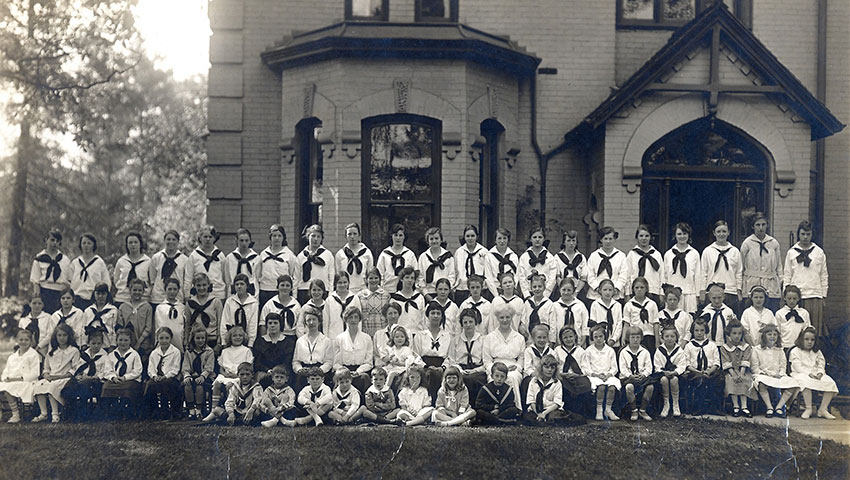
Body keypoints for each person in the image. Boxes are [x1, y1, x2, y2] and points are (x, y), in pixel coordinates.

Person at [783, 221, 829, 338]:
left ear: (812, 234)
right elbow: (787, 274)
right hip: (797, 297)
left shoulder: (818, 252)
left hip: (814, 295)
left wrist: (823, 295)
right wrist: (786, 294)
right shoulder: (792, 252)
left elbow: (823, 275)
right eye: (803, 234)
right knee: (797, 328)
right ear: (798, 234)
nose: (805, 237)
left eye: (808, 234)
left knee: (813, 329)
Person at [32, 324, 80, 423]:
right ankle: (44, 413)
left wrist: (60, 376)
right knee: (38, 386)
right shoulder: (51, 351)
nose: (62, 338)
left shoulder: (74, 351)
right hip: (52, 377)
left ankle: (55, 414)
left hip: (65, 378)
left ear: (69, 336)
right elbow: (46, 368)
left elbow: (75, 368)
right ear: (55, 337)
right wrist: (46, 375)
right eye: (59, 335)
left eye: (64, 335)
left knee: (52, 387)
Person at [789, 327, 838, 419]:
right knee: (806, 383)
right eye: (806, 339)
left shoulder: (817, 352)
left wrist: (820, 372)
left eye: (812, 340)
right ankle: (808, 408)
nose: (809, 342)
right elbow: (797, 366)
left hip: (816, 374)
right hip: (801, 374)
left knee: (830, 383)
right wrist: (809, 374)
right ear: (801, 339)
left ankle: (823, 409)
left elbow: (821, 363)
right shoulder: (795, 351)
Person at [482, 302, 525, 409]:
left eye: (507, 317)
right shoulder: (490, 337)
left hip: (513, 368)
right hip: (495, 368)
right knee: (496, 378)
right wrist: (495, 370)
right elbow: (486, 360)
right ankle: (494, 410)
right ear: (497, 318)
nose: (505, 320)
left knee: (512, 377)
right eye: (502, 317)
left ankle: (515, 409)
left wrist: (518, 368)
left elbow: (521, 358)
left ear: (512, 318)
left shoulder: (519, 338)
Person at [751, 324, 799, 418]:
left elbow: (782, 366)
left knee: (793, 384)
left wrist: (780, 374)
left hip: (777, 375)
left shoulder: (780, 350)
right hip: (763, 375)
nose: (772, 336)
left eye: (775, 334)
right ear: (764, 336)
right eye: (769, 334)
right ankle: (769, 407)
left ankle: (779, 407)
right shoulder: (756, 350)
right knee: (761, 383)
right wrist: (766, 374)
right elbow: (755, 368)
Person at [740, 213, 782, 311]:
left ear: (767, 225)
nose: (761, 228)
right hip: (751, 284)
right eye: (758, 225)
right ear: (752, 226)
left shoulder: (773, 243)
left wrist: (781, 283)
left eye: (763, 224)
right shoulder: (747, 243)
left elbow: (779, 267)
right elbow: (741, 268)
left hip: (770, 286)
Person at [700, 220, 743, 314]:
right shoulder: (708, 251)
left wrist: (739, 290)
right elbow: (703, 273)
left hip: (730, 292)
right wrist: (703, 292)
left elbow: (738, 272)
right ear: (714, 233)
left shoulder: (735, 251)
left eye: (724, 231)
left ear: (728, 233)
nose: (721, 234)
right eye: (718, 231)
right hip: (713, 293)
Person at [412, 302, 451, 402]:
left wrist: (442, 368)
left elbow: (450, 356)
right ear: (428, 315)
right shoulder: (420, 335)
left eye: (438, 313)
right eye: (433, 313)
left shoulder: (447, 336)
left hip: (441, 367)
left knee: (435, 374)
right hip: (424, 367)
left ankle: (437, 403)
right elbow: (415, 355)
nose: (435, 316)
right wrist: (425, 366)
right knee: (430, 373)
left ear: (442, 316)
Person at [101, 328, 144, 419]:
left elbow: (137, 370)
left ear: (130, 341)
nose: (123, 343)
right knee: (106, 387)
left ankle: (127, 412)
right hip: (115, 380)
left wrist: (125, 377)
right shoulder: (111, 355)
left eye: (126, 340)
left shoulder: (134, 355)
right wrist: (113, 377)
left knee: (127, 388)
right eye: (120, 340)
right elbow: (107, 370)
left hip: (130, 380)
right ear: (116, 341)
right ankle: (111, 412)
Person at [682, 319, 723, 416]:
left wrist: (709, 371)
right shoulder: (689, 346)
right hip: (694, 372)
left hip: (710, 371)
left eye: (702, 330)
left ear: (706, 331)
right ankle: (699, 407)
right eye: (696, 330)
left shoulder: (712, 345)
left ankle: (715, 407)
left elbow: (717, 362)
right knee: (700, 380)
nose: (699, 333)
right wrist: (698, 371)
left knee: (719, 379)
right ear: (692, 331)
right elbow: (686, 363)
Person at [209, 326, 253, 412]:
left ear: (244, 337)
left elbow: (249, 368)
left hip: (239, 376)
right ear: (230, 338)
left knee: (229, 385)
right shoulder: (225, 351)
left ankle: (229, 410)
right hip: (226, 375)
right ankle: (213, 410)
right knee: (217, 384)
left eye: (240, 335)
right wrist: (225, 374)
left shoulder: (246, 351)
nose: (237, 337)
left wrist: (237, 375)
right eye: (235, 335)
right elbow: (221, 369)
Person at [0, 329, 41, 423]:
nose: (23, 342)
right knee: (5, 386)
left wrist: (20, 378)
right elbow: (6, 370)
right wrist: (5, 378)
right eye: (21, 339)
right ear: (17, 340)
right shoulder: (12, 357)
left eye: (26, 340)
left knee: (8, 389)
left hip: (27, 382)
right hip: (12, 381)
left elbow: (35, 373)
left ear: (31, 341)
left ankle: (15, 414)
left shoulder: (33, 354)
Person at [581, 324, 620, 421]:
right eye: (595, 337)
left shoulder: (610, 351)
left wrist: (608, 374)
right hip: (594, 375)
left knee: (612, 387)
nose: (598, 339)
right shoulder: (589, 351)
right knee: (601, 387)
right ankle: (599, 410)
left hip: (607, 375)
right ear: (592, 338)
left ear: (605, 337)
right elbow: (585, 367)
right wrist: (595, 374)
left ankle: (608, 409)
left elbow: (614, 368)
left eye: (600, 336)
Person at [448, 308, 487, 403]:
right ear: (462, 324)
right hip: (461, 370)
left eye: (471, 322)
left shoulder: (482, 340)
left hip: (477, 370)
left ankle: (475, 406)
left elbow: (486, 361)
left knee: (473, 379)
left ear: (475, 323)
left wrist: (474, 370)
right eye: (465, 322)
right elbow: (452, 359)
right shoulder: (456, 340)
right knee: (462, 378)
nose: (468, 325)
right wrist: (460, 370)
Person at [332, 306, 373, 395]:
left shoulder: (366, 338)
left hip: (360, 372)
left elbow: (369, 363)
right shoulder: (339, 338)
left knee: (365, 378)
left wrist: (358, 371)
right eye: (350, 317)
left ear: (359, 319)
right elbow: (336, 363)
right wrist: (345, 371)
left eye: (356, 317)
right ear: (346, 320)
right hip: (344, 372)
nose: (353, 320)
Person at [143, 327, 182, 420]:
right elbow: (151, 368)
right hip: (157, 378)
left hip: (170, 377)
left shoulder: (175, 352)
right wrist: (154, 376)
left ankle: (170, 412)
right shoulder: (154, 353)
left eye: (167, 338)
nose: (164, 341)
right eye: (161, 338)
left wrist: (165, 376)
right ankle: (154, 411)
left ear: (171, 338)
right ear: (157, 339)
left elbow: (175, 369)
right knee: (149, 385)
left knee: (166, 385)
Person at [663, 222, 702, 314]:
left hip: (689, 293)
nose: (682, 236)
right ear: (675, 235)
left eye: (685, 233)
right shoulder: (669, 254)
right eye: (679, 234)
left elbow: (697, 275)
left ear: (689, 235)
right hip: (673, 295)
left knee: (689, 319)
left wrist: (697, 295)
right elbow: (664, 275)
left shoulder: (694, 253)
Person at [30, 229, 72, 314]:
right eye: (52, 240)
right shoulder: (39, 259)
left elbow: (69, 281)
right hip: (44, 293)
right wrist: (38, 298)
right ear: (46, 240)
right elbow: (36, 282)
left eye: (57, 241)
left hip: (59, 294)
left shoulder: (65, 260)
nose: (55, 243)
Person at [720, 320, 756, 417]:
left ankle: (744, 407)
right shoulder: (725, 347)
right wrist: (734, 374)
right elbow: (726, 361)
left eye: (739, 333)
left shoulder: (746, 346)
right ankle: (736, 406)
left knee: (745, 379)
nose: (737, 336)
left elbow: (746, 359)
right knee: (732, 380)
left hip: (743, 370)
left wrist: (741, 373)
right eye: (734, 333)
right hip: (730, 371)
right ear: (729, 334)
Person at [257, 224, 299, 307]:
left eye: (279, 236)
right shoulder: (263, 254)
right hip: (265, 291)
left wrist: (293, 294)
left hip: (282, 291)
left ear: (283, 237)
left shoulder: (289, 255)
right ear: (270, 237)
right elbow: (258, 275)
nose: (277, 238)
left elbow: (292, 275)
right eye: (274, 235)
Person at [618, 326, 655, 421]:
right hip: (628, 377)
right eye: (632, 337)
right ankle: (634, 410)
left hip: (642, 377)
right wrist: (630, 376)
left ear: (641, 338)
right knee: (629, 387)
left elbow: (649, 367)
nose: (635, 340)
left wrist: (644, 375)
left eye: (638, 337)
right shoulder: (624, 352)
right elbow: (622, 368)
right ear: (628, 338)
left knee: (650, 387)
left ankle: (642, 410)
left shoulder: (645, 352)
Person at [292, 306, 333, 391]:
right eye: (308, 320)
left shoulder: (326, 341)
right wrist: (299, 369)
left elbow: (329, 362)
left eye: (314, 319)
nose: (311, 322)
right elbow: (295, 361)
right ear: (305, 323)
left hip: (320, 373)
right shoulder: (300, 341)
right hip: (304, 374)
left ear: (319, 322)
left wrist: (318, 370)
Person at [524, 354, 571, 426]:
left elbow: (557, 403)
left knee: (555, 417)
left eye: (552, 368)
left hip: (550, 410)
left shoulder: (556, 383)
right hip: (536, 409)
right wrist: (537, 413)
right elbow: (531, 400)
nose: (549, 370)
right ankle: (541, 420)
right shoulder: (534, 381)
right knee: (528, 418)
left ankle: (545, 421)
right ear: (541, 368)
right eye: (546, 367)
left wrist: (544, 413)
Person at [553, 326, 591, 415]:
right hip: (562, 376)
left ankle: (580, 410)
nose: (568, 339)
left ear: (575, 337)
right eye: (565, 337)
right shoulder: (557, 350)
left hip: (577, 376)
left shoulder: (581, 351)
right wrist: (561, 374)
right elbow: (555, 366)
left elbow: (586, 368)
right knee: (561, 385)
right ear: (561, 339)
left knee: (586, 384)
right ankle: (565, 409)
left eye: (570, 337)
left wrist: (577, 375)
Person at [622, 225, 663, 306]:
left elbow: (662, 275)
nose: (644, 238)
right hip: (636, 292)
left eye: (647, 236)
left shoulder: (656, 254)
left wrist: (661, 293)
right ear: (637, 237)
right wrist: (627, 293)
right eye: (641, 236)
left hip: (653, 291)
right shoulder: (632, 254)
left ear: (651, 237)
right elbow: (627, 275)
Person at [296, 224, 335, 304]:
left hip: (322, 291)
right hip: (304, 290)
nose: (315, 239)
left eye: (318, 236)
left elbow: (331, 276)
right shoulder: (301, 256)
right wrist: (295, 295)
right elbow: (296, 277)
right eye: (313, 236)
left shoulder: (327, 255)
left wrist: (330, 293)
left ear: (321, 238)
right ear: (308, 237)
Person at [653, 325, 687, 418]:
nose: (669, 339)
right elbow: (657, 366)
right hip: (663, 374)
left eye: (672, 336)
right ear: (662, 338)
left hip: (676, 375)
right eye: (667, 336)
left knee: (674, 379)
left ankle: (676, 404)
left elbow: (682, 366)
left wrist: (674, 372)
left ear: (676, 338)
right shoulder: (659, 350)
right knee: (664, 379)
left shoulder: (679, 351)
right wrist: (664, 372)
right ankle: (666, 403)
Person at [69, 233, 110, 309]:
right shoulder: (75, 262)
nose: (86, 246)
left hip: (93, 300)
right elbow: (69, 281)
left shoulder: (99, 262)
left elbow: (106, 281)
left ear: (93, 245)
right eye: (84, 243)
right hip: (77, 299)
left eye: (89, 243)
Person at [182, 325, 215, 420]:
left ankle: (199, 411)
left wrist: (202, 377)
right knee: (187, 384)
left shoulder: (209, 351)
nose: (200, 340)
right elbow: (186, 367)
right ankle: (191, 410)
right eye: (197, 338)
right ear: (193, 338)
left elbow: (209, 367)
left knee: (200, 386)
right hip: (192, 375)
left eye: (202, 338)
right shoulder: (189, 352)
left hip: (206, 376)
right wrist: (187, 376)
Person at [116, 278, 153, 361]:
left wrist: (139, 343)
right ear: (130, 290)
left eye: (140, 290)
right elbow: (120, 325)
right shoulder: (123, 306)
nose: (137, 292)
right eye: (134, 290)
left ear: (143, 292)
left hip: (143, 343)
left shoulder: (147, 307)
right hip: (126, 342)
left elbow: (148, 327)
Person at [185, 225, 227, 300]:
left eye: (210, 237)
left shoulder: (220, 255)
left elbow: (225, 277)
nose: (208, 239)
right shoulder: (194, 256)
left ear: (214, 238)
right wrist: (187, 295)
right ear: (200, 238)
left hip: (218, 294)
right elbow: (188, 278)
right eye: (205, 236)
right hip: (199, 295)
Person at [585, 226, 626, 302]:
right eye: (605, 239)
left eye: (610, 239)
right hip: (596, 296)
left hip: (615, 296)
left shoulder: (621, 256)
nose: (608, 241)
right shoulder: (594, 256)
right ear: (601, 240)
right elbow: (590, 275)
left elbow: (623, 275)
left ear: (614, 239)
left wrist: (615, 289)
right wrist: (598, 289)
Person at [260, 274, 303, 345]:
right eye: (282, 285)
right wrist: (264, 342)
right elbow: (263, 324)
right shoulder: (270, 304)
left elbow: (300, 325)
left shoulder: (297, 305)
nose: (285, 288)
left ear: (291, 288)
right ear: (277, 287)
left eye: (287, 285)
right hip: (273, 338)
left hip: (291, 338)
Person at [375, 223, 417, 294]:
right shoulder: (384, 254)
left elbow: (415, 273)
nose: (398, 238)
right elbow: (379, 273)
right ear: (391, 236)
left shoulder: (410, 254)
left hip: (405, 291)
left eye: (400, 235)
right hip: (388, 290)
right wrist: (382, 290)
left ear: (404, 237)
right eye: (395, 235)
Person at [149, 230, 188, 305]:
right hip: (158, 298)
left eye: (174, 239)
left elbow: (186, 280)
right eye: (168, 239)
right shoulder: (156, 258)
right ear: (164, 240)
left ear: (178, 241)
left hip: (177, 298)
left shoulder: (184, 260)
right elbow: (152, 279)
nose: (171, 242)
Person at [184, 273, 223, 350]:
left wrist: (219, 341)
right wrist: (186, 340)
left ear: (208, 285)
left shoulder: (216, 301)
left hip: (212, 338)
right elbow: (187, 324)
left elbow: (220, 323)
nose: (201, 288)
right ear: (194, 286)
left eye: (204, 285)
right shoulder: (190, 303)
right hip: (196, 339)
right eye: (198, 285)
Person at [219, 274, 259, 347]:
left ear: (247, 286)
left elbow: (253, 325)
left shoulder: (253, 303)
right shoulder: (230, 301)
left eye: (242, 284)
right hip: (231, 339)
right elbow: (224, 321)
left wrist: (250, 343)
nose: (239, 286)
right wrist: (224, 342)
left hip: (245, 339)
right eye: (237, 284)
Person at [520, 324, 554, 410]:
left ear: (547, 338)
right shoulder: (529, 351)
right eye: (539, 337)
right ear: (533, 338)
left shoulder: (551, 352)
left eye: (544, 337)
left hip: (548, 376)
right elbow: (527, 368)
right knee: (528, 383)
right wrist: (536, 375)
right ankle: (529, 408)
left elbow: (554, 366)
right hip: (533, 376)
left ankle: (549, 408)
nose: (542, 340)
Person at [517, 226, 556, 298]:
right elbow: (521, 277)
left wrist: (545, 295)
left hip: (546, 295)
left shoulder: (550, 257)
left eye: (540, 237)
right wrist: (527, 295)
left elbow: (552, 278)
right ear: (530, 239)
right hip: (529, 294)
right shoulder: (524, 257)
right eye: (534, 237)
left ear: (544, 239)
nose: (537, 239)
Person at [253, 313, 291, 388]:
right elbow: (257, 363)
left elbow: (287, 362)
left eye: (275, 323)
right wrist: (268, 370)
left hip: (282, 374)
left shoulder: (288, 342)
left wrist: (277, 371)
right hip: (264, 373)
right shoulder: (260, 341)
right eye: (270, 323)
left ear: (280, 324)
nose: (272, 325)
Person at [113, 231, 151, 305]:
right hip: (123, 298)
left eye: (136, 242)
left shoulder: (148, 261)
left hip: (142, 299)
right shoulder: (121, 261)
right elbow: (116, 279)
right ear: (126, 245)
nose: (133, 245)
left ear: (140, 244)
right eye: (130, 242)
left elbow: (151, 281)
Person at [335, 223, 374, 295]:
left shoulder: (367, 253)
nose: (352, 237)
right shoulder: (340, 254)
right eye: (349, 234)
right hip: (346, 291)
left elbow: (370, 273)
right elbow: (338, 275)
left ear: (359, 235)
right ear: (345, 236)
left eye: (355, 234)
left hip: (363, 291)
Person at [417, 227, 455, 299]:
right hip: (429, 294)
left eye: (436, 238)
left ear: (441, 240)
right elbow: (420, 278)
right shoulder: (423, 257)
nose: (434, 241)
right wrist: (426, 294)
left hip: (445, 294)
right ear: (427, 241)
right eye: (431, 239)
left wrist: (444, 291)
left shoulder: (448, 257)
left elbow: (452, 276)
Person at [622, 277, 659, 351]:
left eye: (642, 287)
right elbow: (626, 324)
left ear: (646, 289)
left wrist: (657, 341)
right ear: (633, 289)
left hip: (649, 336)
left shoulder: (652, 304)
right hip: (635, 336)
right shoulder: (629, 305)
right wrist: (624, 338)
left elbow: (656, 323)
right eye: (637, 287)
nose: (639, 290)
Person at [550, 278, 588, 347]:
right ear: (559, 290)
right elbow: (553, 325)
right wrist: (553, 341)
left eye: (569, 290)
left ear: (573, 291)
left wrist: (583, 341)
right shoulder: (555, 306)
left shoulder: (580, 305)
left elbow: (585, 324)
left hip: (578, 342)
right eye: (563, 290)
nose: (566, 293)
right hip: (560, 343)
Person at [454, 225, 487, 304]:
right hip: (462, 289)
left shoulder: (484, 251)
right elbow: (455, 270)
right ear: (464, 237)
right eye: (467, 236)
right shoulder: (459, 252)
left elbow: (487, 271)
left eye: (473, 236)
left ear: (477, 236)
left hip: (480, 289)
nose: (470, 238)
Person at [224, 228, 260, 298]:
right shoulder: (230, 258)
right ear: (236, 241)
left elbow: (257, 278)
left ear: (250, 241)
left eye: (246, 240)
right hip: (234, 294)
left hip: (252, 294)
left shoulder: (256, 258)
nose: (244, 243)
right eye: (241, 240)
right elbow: (227, 279)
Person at [324, 272, 361, 339]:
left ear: (348, 283)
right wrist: (326, 338)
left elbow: (359, 320)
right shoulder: (329, 300)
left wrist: (358, 336)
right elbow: (326, 321)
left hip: (351, 337)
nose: (342, 285)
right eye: (339, 283)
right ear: (335, 284)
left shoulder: (354, 298)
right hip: (334, 336)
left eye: (345, 282)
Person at [553, 230, 587, 303]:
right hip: (562, 290)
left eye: (573, 241)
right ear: (564, 242)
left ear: (576, 242)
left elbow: (583, 278)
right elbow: (557, 277)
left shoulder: (581, 257)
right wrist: (564, 290)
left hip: (578, 290)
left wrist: (575, 293)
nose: (571, 243)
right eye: (568, 241)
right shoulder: (557, 257)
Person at [485, 228, 519, 300]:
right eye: (499, 238)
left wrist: (511, 289)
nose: (502, 241)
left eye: (504, 238)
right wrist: (496, 295)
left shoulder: (513, 256)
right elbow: (488, 277)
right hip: (494, 291)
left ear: (508, 240)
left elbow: (517, 274)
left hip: (511, 292)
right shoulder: (489, 256)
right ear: (495, 240)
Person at [380, 325, 418, 391]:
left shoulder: (406, 349)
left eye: (402, 337)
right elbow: (384, 358)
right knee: (381, 372)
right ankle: (378, 388)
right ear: (393, 338)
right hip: (391, 366)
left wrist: (398, 363)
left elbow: (409, 363)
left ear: (405, 338)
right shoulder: (392, 349)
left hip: (400, 368)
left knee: (392, 374)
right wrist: (389, 358)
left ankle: (386, 389)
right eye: (397, 337)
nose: (399, 338)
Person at [588, 279, 623, 348]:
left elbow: (619, 324)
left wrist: (613, 339)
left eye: (610, 290)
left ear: (614, 291)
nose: (607, 292)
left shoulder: (617, 305)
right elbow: (593, 324)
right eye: (605, 290)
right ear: (600, 291)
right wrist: (600, 338)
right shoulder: (595, 304)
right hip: (599, 342)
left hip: (614, 343)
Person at [82, 283, 117, 350]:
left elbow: (114, 328)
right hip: (91, 345)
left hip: (107, 344)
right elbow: (83, 328)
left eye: (103, 294)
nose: (100, 296)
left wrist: (112, 345)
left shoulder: (113, 310)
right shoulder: (88, 310)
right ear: (94, 294)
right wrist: (84, 344)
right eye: (98, 294)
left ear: (107, 294)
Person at [390, 267, 425, 333]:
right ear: (401, 279)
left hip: (417, 333)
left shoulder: (419, 297)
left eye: (412, 278)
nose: (410, 280)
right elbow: (392, 319)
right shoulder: (395, 299)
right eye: (407, 277)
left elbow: (423, 319)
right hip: (401, 335)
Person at [153, 278, 185, 351]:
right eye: (169, 289)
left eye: (175, 289)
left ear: (178, 290)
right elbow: (157, 326)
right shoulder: (160, 307)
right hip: (163, 342)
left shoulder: (182, 307)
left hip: (179, 342)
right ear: (165, 289)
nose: (172, 292)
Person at [775, 285, 810, 350]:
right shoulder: (779, 313)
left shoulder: (804, 313)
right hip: (784, 346)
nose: (792, 301)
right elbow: (777, 331)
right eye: (789, 298)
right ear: (785, 298)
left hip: (799, 347)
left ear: (798, 298)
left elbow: (806, 330)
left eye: (794, 298)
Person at [357, 268, 390, 337]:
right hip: (366, 331)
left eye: (376, 278)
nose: (373, 280)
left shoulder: (386, 295)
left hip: (382, 330)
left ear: (380, 279)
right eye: (371, 278)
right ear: (366, 279)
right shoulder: (360, 295)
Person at [520, 273, 553, 340]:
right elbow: (524, 320)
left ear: (544, 287)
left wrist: (552, 341)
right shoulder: (527, 303)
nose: (537, 289)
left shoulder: (549, 304)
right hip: (529, 338)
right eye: (534, 287)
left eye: (540, 286)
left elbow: (552, 324)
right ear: (531, 288)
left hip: (544, 339)